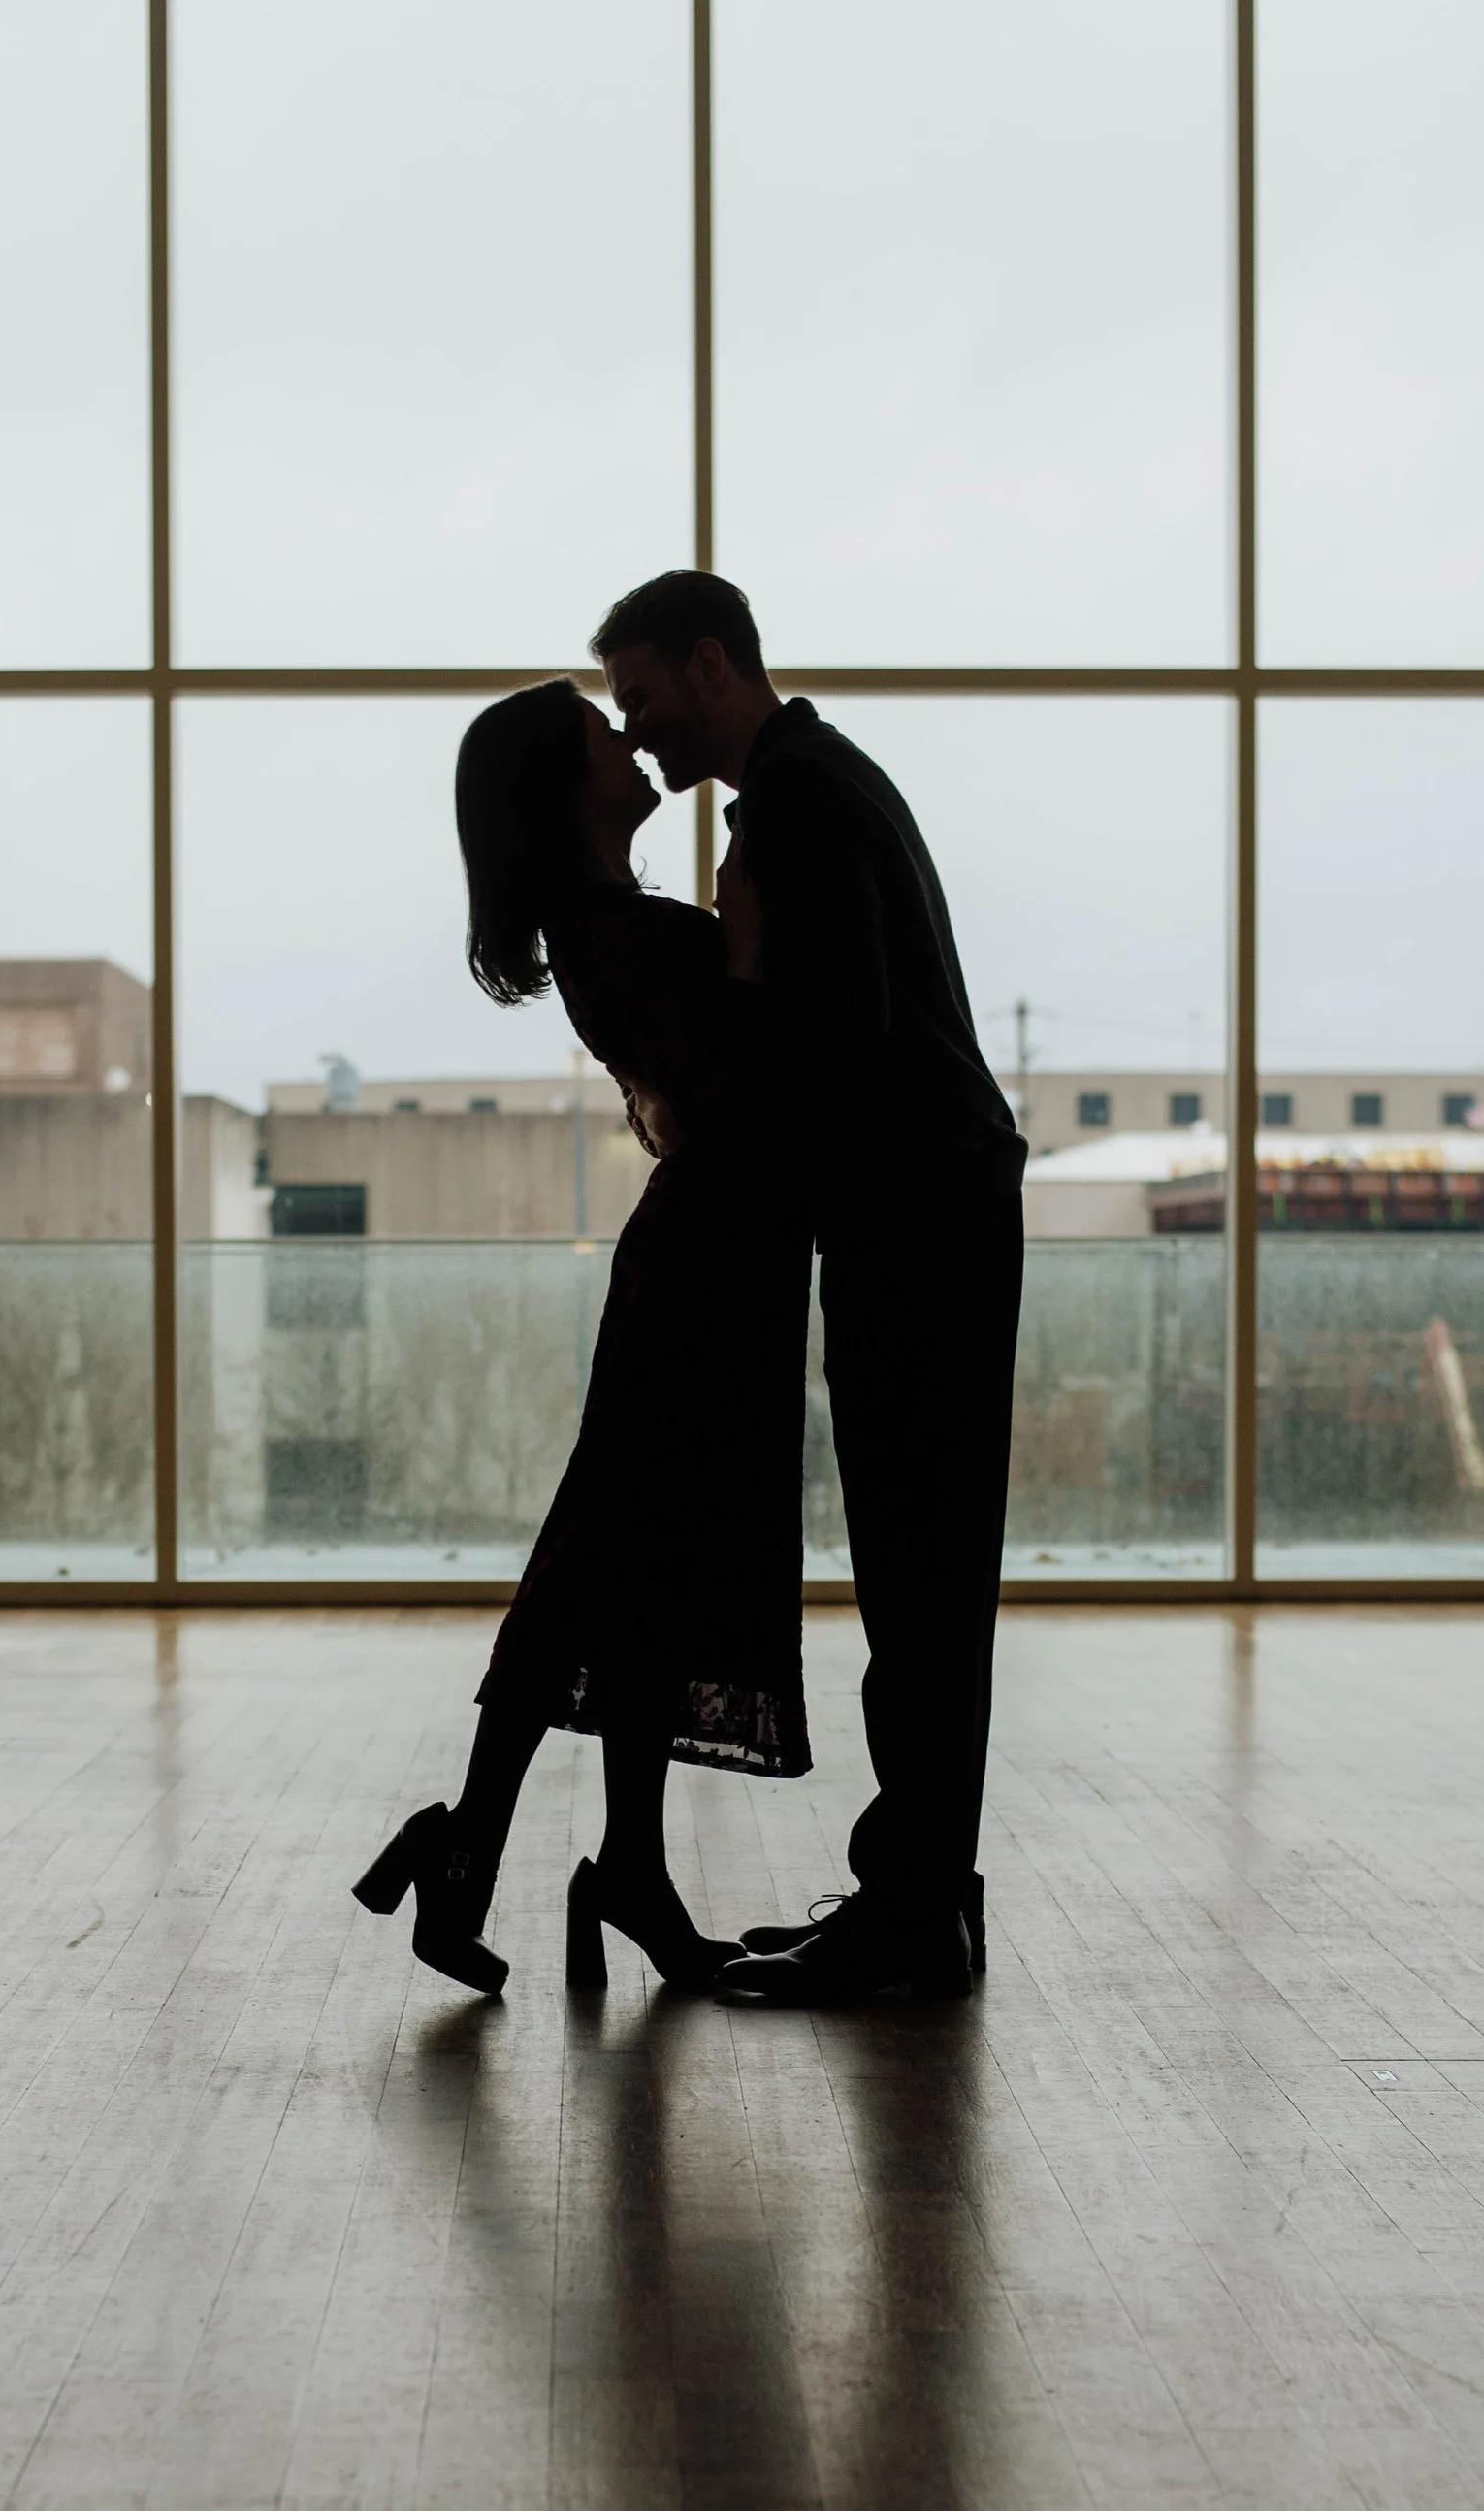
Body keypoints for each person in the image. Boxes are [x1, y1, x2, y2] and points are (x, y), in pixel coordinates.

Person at [592, 569, 1025, 2006]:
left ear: (712, 665)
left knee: (919, 1571)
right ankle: (917, 1897)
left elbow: (840, 1037)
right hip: (931, 1207)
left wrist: (746, 968)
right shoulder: (820, 784)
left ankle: (912, 1918)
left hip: (917, 1216)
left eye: (644, 693)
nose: (637, 732)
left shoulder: (797, 807)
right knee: (923, 1573)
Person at [354, 678, 812, 1996]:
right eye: (604, 737)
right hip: (706, 1268)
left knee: (636, 1566)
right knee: (611, 1561)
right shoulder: (606, 931)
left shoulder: (602, 926)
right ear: (569, 790)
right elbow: (725, 1084)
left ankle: (528, 1856)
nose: (630, 740)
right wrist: (745, 934)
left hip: (716, 1259)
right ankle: (549, 1858)